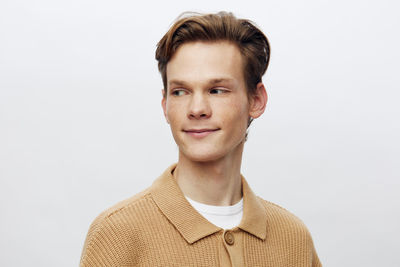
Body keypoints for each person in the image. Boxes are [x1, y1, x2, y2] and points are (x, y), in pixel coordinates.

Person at [80, 11, 322, 267]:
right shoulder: (117, 234)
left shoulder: (293, 238)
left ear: (256, 100)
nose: (197, 108)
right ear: (165, 105)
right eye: (180, 91)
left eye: (217, 90)